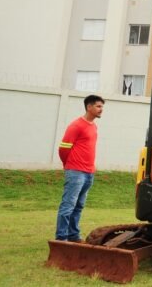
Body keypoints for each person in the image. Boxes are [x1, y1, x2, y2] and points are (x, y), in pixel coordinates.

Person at [55, 94, 104, 242]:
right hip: (76, 172)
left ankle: (73, 235)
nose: (101, 109)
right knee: (68, 205)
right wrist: (68, 165)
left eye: (102, 106)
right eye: (98, 106)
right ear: (89, 107)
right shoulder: (76, 125)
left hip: (89, 172)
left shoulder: (93, 126)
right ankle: (61, 238)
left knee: (79, 206)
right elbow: (63, 148)